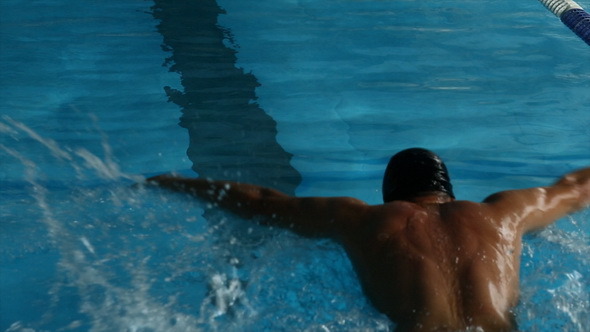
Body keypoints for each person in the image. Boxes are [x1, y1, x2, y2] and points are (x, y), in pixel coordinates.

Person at [146, 148, 590, 332]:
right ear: (448, 190)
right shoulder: (502, 214)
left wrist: (171, 183)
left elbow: (263, 201)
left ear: (389, 195)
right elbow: (574, 189)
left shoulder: (362, 220)